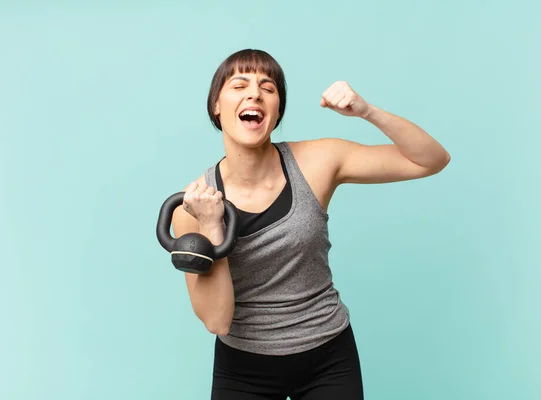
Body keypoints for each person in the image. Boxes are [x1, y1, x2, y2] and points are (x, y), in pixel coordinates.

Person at [171, 49, 450, 400]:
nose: (254, 93)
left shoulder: (318, 162)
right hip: (243, 368)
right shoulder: (191, 207)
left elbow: (431, 160)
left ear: (275, 112)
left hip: (328, 358)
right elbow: (217, 321)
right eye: (239, 84)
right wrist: (213, 227)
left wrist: (368, 112)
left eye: (268, 88)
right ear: (217, 105)